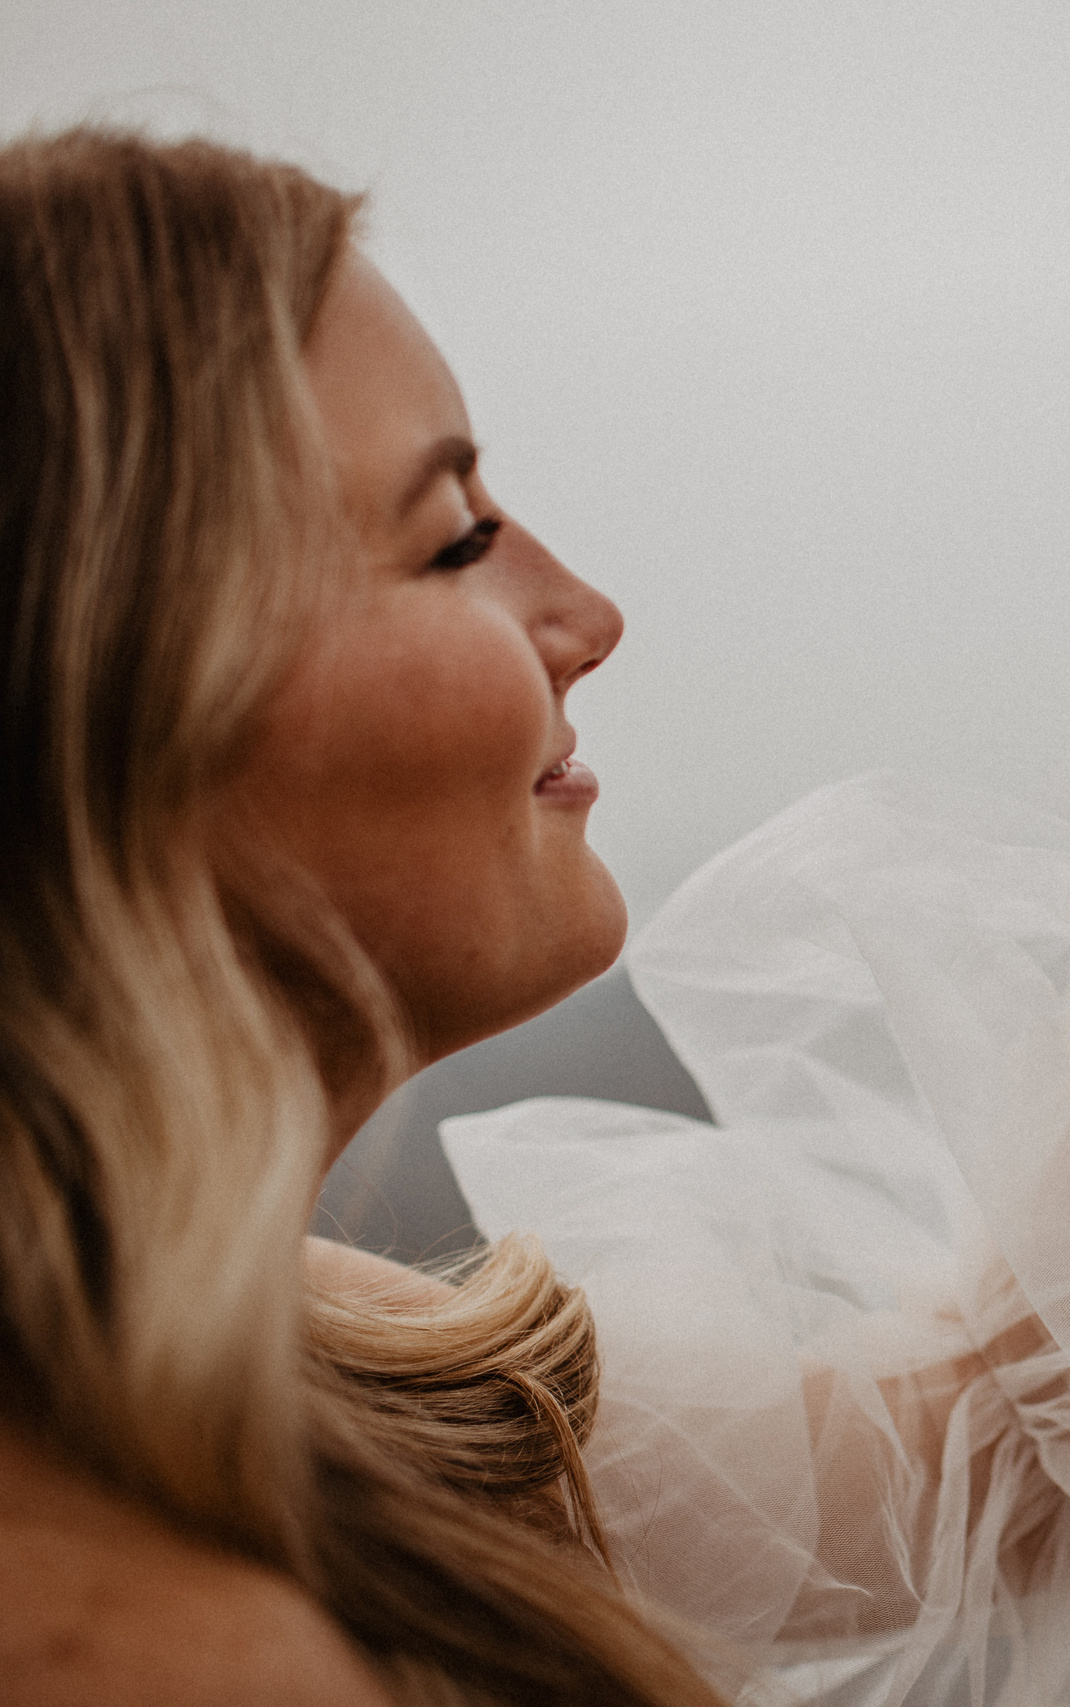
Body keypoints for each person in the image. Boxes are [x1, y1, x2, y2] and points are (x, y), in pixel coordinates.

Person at [0, 129, 727, 1704]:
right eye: (454, 538)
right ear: (113, 710)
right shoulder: (159, 1655)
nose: (586, 621)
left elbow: (982, 1444)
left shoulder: (324, 1349)